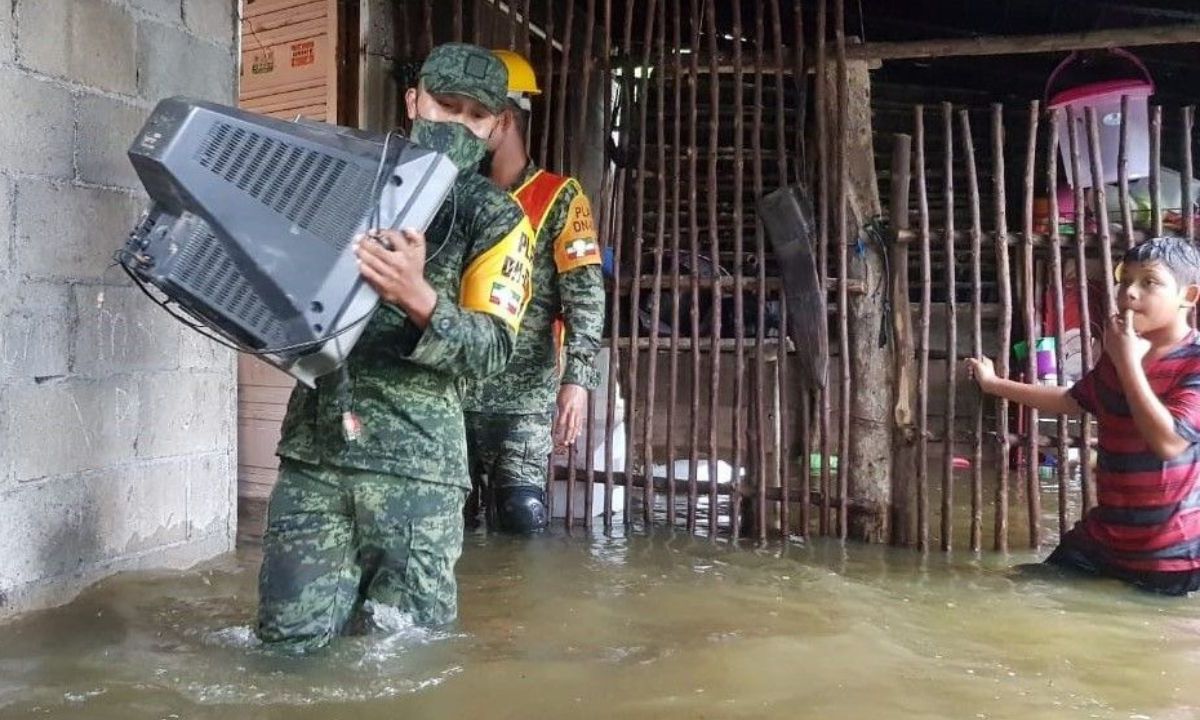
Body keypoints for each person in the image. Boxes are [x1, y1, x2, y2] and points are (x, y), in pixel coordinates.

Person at [256, 42, 536, 651]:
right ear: (414, 102)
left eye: (475, 115)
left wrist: (417, 296)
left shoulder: (494, 219)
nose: (457, 124)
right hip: (315, 456)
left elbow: (493, 351)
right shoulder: (348, 181)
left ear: (496, 127)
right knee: (284, 647)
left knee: (404, 660)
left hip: (418, 473)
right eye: (445, 106)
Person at [967, 236, 1200, 596]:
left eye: (1149, 282)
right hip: (1104, 537)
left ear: (1189, 296)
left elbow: (1169, 442)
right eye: (1126, 280)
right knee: (1018, 591)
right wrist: (995, 384)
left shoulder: (1192, 361)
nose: (1129, 294)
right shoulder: (1120, 355)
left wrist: (1127, 363)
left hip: (1169, 553)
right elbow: (1073, 399)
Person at [460, 49, 606, 533]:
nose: (463, 126)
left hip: (525, 396)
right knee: (446, 520)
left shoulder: (560, 197)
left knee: (521, 517)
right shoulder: (455, 194)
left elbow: (585, 295)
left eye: (475, 114)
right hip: (454, 390)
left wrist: (578, 381)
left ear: (503, 119)